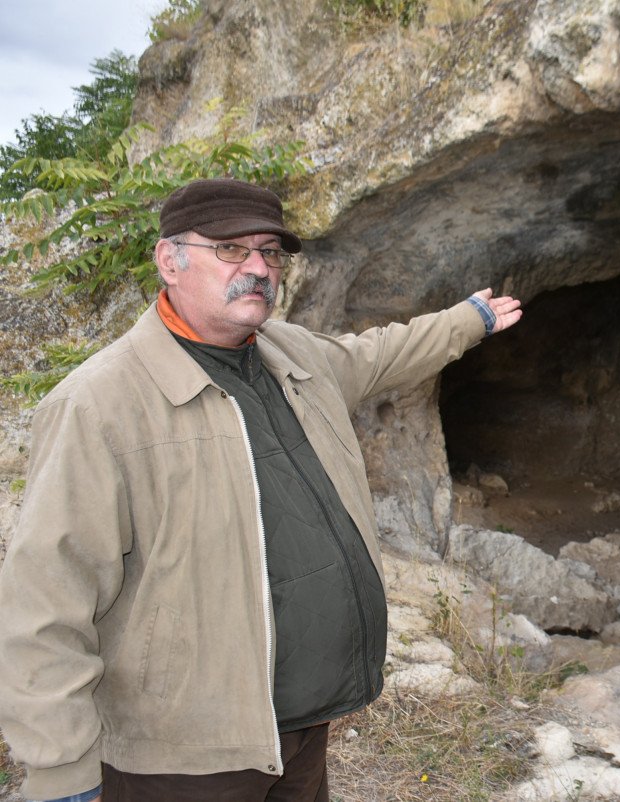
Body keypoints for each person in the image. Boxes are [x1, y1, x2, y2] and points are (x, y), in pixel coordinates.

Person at [0, 178, 522, 802]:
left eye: (270, 253)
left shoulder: (285, 353)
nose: (257, 268)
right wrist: (62, 775)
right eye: (230, 249)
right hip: (185, 758)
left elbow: (381, 354)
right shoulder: (100, 405)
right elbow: (43, 602)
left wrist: (470, 320)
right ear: (170, 260)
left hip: (299, 725)